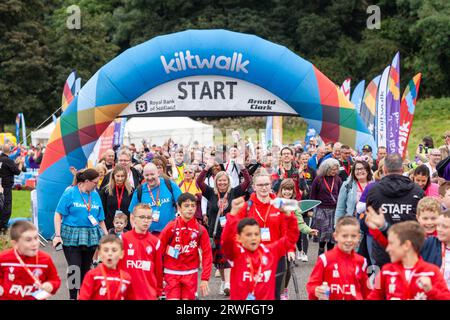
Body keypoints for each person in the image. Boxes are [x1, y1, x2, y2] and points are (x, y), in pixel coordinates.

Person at [221, 197, 299, 300]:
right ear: (239, 237)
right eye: (248, 235)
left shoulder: (270, 251)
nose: (253, 238)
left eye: (256, 234)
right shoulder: (236, 253)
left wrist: (289, 216)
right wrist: (232, 214)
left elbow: (291, 238)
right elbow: (226, 241)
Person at [196, 157, 251, 296]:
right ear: (216, 182)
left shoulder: (235, 192)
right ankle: (224, 282)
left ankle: (228, 283)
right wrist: (206, 168)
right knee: (219, 261)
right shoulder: (211, 193)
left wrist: (242, 167)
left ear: (228, 181)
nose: (222, 182)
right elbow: (199, 182)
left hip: (231, 233)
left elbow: (248, 182)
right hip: (215, 233)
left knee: (227, 259)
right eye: (219, 180)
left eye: (224, 180)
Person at [53, 168, 107, 299]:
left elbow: (100, 219)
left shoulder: (95, 195)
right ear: (87, 181)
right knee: (74, 268)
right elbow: (58, 213)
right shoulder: (70, 192)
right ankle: (72, 297)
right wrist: (58, 235)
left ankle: (83, 296)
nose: (97, 185)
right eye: (95, 182)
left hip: (90, 235)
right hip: (71, 234)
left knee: (85, 270)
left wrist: (107, 236)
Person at [365, 153, 424, 267]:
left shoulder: (374, 191)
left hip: (385, 251)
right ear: (402, 169)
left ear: (385, 170)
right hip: (408, 250)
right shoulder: (417, 191)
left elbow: (370, 217)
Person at [368, 221, 450, 300]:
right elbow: (373, 297)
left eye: (391, 243)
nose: (387, 249)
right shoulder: (386, 271)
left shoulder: (431, 272)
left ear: (407, 245)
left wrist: (431, 290)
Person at [159, 193, 212, 300]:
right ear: (179, 207)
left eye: (193, 205)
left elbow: (207, 254)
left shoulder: (201, 229)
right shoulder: (170, 227)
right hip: (171, 273)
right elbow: (159, 251)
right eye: (186, 206)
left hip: (190, 274)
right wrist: (159, 275)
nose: (190, 209)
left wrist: (205, 278)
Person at [306, 216, 370, 300]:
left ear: (358, 237)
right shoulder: (325, 259)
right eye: (344, 236)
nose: (349, 240)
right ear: (335, 236)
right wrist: (315, 290)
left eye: (353, 236)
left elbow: (366, 291)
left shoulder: (362, 261)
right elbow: (312, 284)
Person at [277, 178, 319, 299]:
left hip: (289, 242)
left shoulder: (294, 206)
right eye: (285, 189)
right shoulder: (275, 202)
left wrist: (309, 230)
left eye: (290, 190)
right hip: (276, 241)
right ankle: (278, 291)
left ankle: (284, 289)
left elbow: (300, 223)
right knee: (279, 267)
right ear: (281, 190)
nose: (287, 192)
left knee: (288, 268)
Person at [0, 221, 61, 300]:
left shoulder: (45, 259)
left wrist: (51, 285)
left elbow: (55, 279)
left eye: (36, 238)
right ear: (15, 244)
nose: (34, 243)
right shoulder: (3, 258)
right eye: (28, 240)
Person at [119, 204, 163, 300]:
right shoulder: (123, 239)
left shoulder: (155, 242)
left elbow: (158, 270)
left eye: (149, 217)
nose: (146, 221)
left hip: (148, 294)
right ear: (134, 218)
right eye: (142, 217)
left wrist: (158, 290)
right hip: (126, 293)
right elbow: (116, 265)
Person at [128, 163, 181, 236]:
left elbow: (181, 204)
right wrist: (137, 233)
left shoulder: (169, 184)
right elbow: (132, 215)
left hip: (171, 233)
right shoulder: (139, 191)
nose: (150, 178)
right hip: (149, 235)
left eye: (152, 174)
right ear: (143, 175)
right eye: (146, 175)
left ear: (158, 173)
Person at [79, 235, 134, 300]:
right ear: (99, 253)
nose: (110, 253)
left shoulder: (126, 278)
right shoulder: (93, 275)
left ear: (121, 254)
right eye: (106, 250)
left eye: (114, 250)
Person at [310, 158, 343, 255]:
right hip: (321, 210)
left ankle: (330, 256)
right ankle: (320, 253)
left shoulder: (337, 179)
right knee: (323, 235)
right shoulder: (318, 179)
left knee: (332, 236)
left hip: (334, 210)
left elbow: (341, 194)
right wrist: (311, 210)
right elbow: (313, 195)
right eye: (332, 169)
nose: (334, 171)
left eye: (336, 169)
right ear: (326, 168)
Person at [335, 160, 373, 224]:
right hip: (352, 224)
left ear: (368, 170)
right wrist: (337, 225)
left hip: (370, 224)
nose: (360, 171)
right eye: (357, 169)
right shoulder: (347, 185)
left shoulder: (374, 185)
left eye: (362, 169)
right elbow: (340, 208)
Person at [100, 164, 134, 231]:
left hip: (126, 227)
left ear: (126, 177)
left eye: (122, 176)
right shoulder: (106, 191)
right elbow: (102, 210)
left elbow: (133, 210)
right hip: (109, 227)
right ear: (113, 176)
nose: (120, 179)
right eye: (118, 176)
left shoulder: (131, 190)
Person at [0, 143, 24, 234]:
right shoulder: (8, 161)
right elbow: (17, 172)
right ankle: (3, 228)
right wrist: (21, 163)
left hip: (1, 186)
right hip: (6, 187)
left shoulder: (5, 160)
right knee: (6, 208)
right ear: (9, 151)